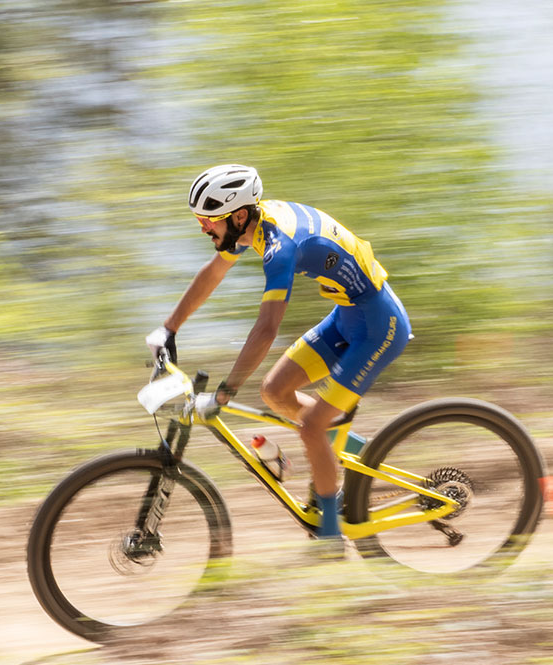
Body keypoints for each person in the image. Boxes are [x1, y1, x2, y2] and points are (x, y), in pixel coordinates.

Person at [146, 163, 411, 539]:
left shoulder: (279, 246)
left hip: (379, 326)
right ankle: (355, 451)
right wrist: (169, 327)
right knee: (275, 391)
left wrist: (224, 394)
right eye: (200, 220)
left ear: (239, 216)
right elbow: (213, 273)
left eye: (208, 221)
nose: (203, 229)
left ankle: (330, 536)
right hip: (348, 315)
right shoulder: (250, 227)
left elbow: (267, 329)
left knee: (311, 427)